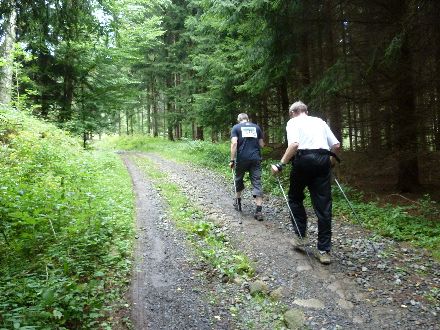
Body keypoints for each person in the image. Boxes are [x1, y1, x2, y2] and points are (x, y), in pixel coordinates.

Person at [271, 101, 340, 264]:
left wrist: (280, 164)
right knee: (323, 206)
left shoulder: (293, 122)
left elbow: (294, 144)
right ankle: (324, 251)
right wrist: (330, 162)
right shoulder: (320, 122)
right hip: (323, 160)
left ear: (293, 112)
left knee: (295, 198)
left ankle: (301, 236)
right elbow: (336, 145)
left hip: (303, 160)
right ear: (306, 111)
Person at [230, 113, 265, 221]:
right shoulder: (256, 127)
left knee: (239, 178)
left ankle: (238, 202)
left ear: (238, 120)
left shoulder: (236, 128)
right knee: (256, 181)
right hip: (255, 158)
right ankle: (258, 211)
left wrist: (232, 159)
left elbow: (234, 144)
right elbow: (262, 144)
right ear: (248, 119)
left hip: (242, 158)